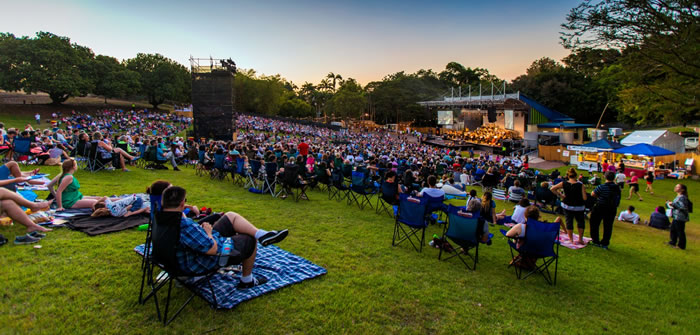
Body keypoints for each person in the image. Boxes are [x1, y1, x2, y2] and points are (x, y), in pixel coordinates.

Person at [161, 185, 288, 288]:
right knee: (249, 239)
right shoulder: (184, 225)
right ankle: (247, 280)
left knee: (230, 216)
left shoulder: (161, 218)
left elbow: (190, 235)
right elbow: (212, 249)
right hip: (203, 259)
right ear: (182, 203)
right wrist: (208, 233)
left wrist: (203, 231)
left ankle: (263, 235)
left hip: (190, 250)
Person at [551, 168, 587, 245]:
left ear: (568, 175)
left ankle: (571, 239)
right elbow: (585, 198)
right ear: (576, 175)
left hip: (567, 205)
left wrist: (561, 195)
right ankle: (580, 239)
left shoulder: (564, 183)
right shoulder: (580, 185)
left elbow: (552, 188)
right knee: (580, 222)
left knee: (569, 221)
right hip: (579, 206)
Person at [589, 171, 621, 249]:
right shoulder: (617, 188)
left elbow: (593, 194)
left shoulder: (602, 186)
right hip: (612, 208)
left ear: (605, 177)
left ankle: (595, 240)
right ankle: (605, 243)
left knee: (594, 223)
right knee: (608, 226)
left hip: (600, 206)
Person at [667, 184, 690, 250]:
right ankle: (673, 242)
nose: (675, 187)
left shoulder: (682, 197)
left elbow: (683, 207)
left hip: (680, 216)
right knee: (673, 229)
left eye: (677, 187)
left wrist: (673, 204)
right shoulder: (679, 196)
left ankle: (681, 246)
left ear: (682, 189)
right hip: (676, 216)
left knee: (680, 231)